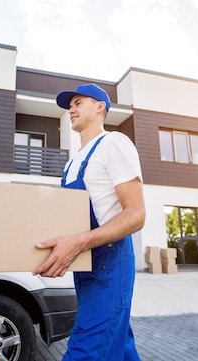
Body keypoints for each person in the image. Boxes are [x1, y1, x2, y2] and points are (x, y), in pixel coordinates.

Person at [32, 84, 146, 361]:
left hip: (109, 265)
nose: (71, 108)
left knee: (85, 351)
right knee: (118, 345)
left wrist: (79, 241)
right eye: (69, 104)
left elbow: (136, 214)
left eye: (78, 102)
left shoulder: (113, 144)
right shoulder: (72, 164)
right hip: (84, 268)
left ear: (100, 107)